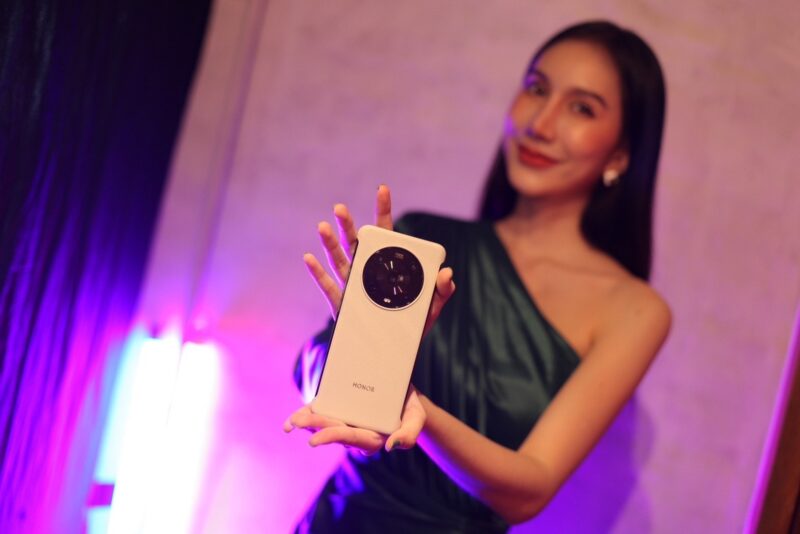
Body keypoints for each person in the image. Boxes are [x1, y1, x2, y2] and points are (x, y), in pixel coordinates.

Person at [284, 20, 671, 533]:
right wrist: (340, 364)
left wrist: (415, 412)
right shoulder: (424, 242)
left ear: (620, 154)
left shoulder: (634, 310)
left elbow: (530, 490)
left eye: (581, 108)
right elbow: (319, 370)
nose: (541, 123)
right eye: (537, 89)